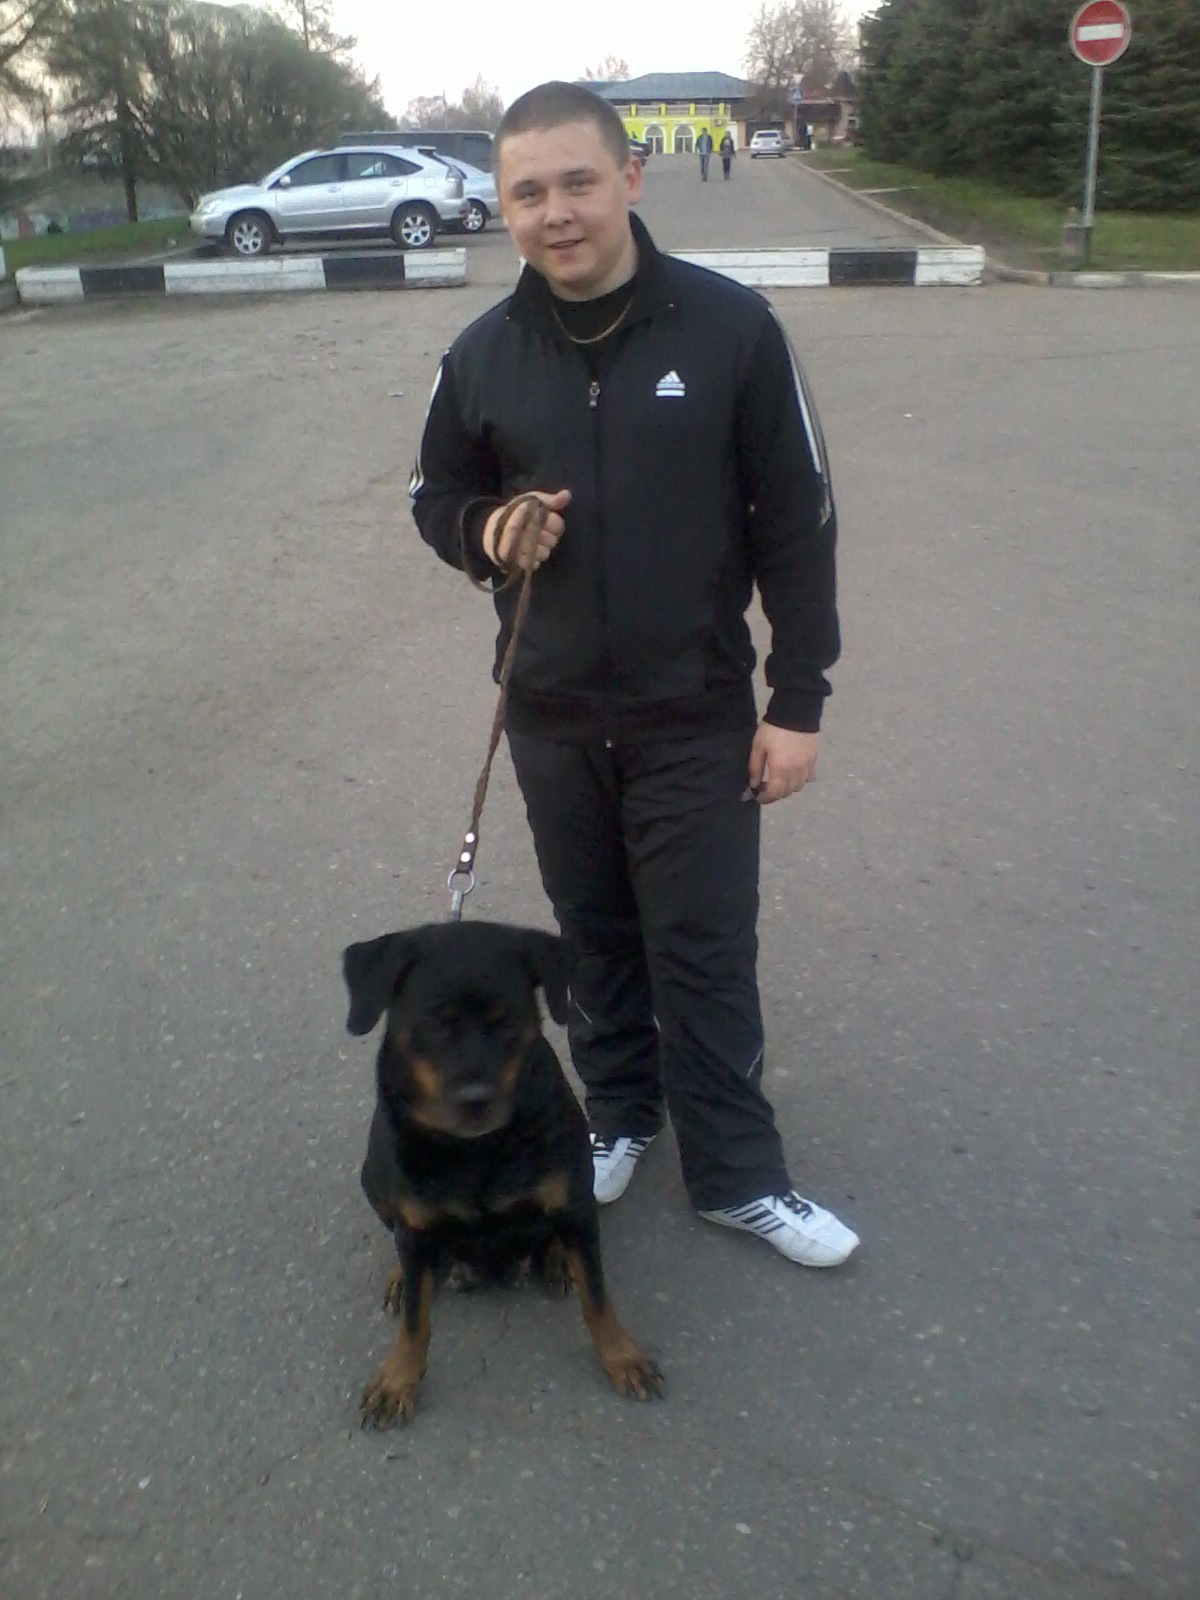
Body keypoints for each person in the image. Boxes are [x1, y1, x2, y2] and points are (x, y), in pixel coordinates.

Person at [409, 81, 859, 1269]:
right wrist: (486, 531)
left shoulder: (732, 330)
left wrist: (798, 701)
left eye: (578, 182)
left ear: (631, 179)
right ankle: (618, 1112)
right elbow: (434, 495)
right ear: (503, 205)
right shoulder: (480, 354)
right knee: (595, 937)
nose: (555, 212)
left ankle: (739, 1175)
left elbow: (799, 522)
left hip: (693, 714)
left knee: (702, 949)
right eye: (528, 192)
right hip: (549, 716)